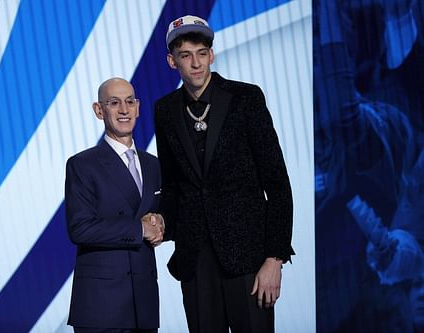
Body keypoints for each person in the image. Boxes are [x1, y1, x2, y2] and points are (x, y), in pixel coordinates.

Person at [154, 15, 294, 333]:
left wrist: (275, 259)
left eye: (202, 53)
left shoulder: (246, 99)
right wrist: (160, 222)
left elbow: (277, 183)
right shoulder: (164, 109)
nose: (196, 63)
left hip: (248, 258)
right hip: (196, 259)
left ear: (212, 55)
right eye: (186, 55)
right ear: (171, 61)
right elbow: (173, 186)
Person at [65, 78, 164, 333]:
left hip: (144, 304)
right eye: (114, 103)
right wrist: (139, 230)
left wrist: (164, 223)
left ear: (138, 108)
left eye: (129, 102)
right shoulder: (82, 164)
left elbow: (161, 214)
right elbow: (80, 229)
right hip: (101, 306)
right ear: (99, 110)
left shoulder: (153, 164)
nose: (123, 109)